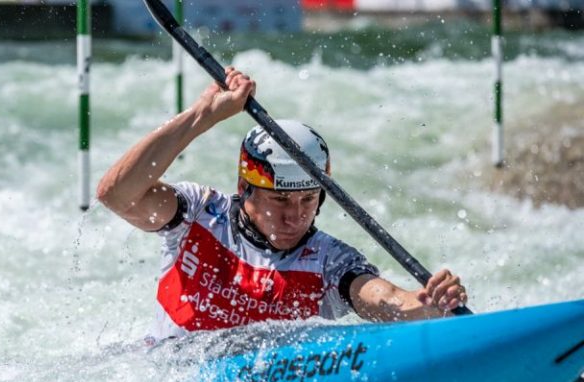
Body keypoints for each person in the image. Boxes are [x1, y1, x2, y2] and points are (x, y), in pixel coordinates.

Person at [97, 67, 468, 341]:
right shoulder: (198, 214)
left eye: (308, 199)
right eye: (280, 199)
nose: (295, 216)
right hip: (164, 376)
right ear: (245, 187)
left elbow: (380, 297)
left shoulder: (328, 260)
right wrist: (202, 116)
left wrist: (425, 306)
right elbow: (116, 194)